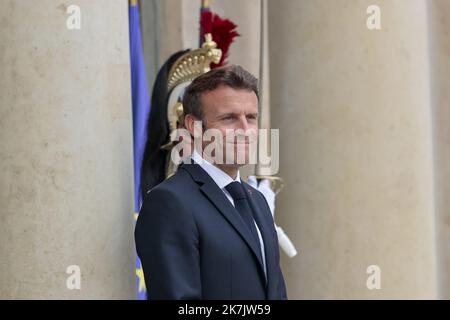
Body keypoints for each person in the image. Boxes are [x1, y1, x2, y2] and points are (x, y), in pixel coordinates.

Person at [135, 65, 287, 299]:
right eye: (229, 118)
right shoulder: (170, 202)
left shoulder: (257, 200)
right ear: (193, 126)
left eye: (251, 117)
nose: (245, 131)